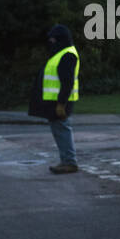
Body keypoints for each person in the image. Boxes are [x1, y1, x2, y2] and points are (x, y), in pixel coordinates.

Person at [29, 24, 80, 173]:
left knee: (62, 130)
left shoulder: (66, 54)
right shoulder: (62, 52)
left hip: (60, 101)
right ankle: (67, 161)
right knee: (60, 130)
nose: (51, 41)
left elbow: (67, 81)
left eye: (53, 38)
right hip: (57, 101)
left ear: (60, 39)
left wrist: (61, 103)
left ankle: (69, 162)